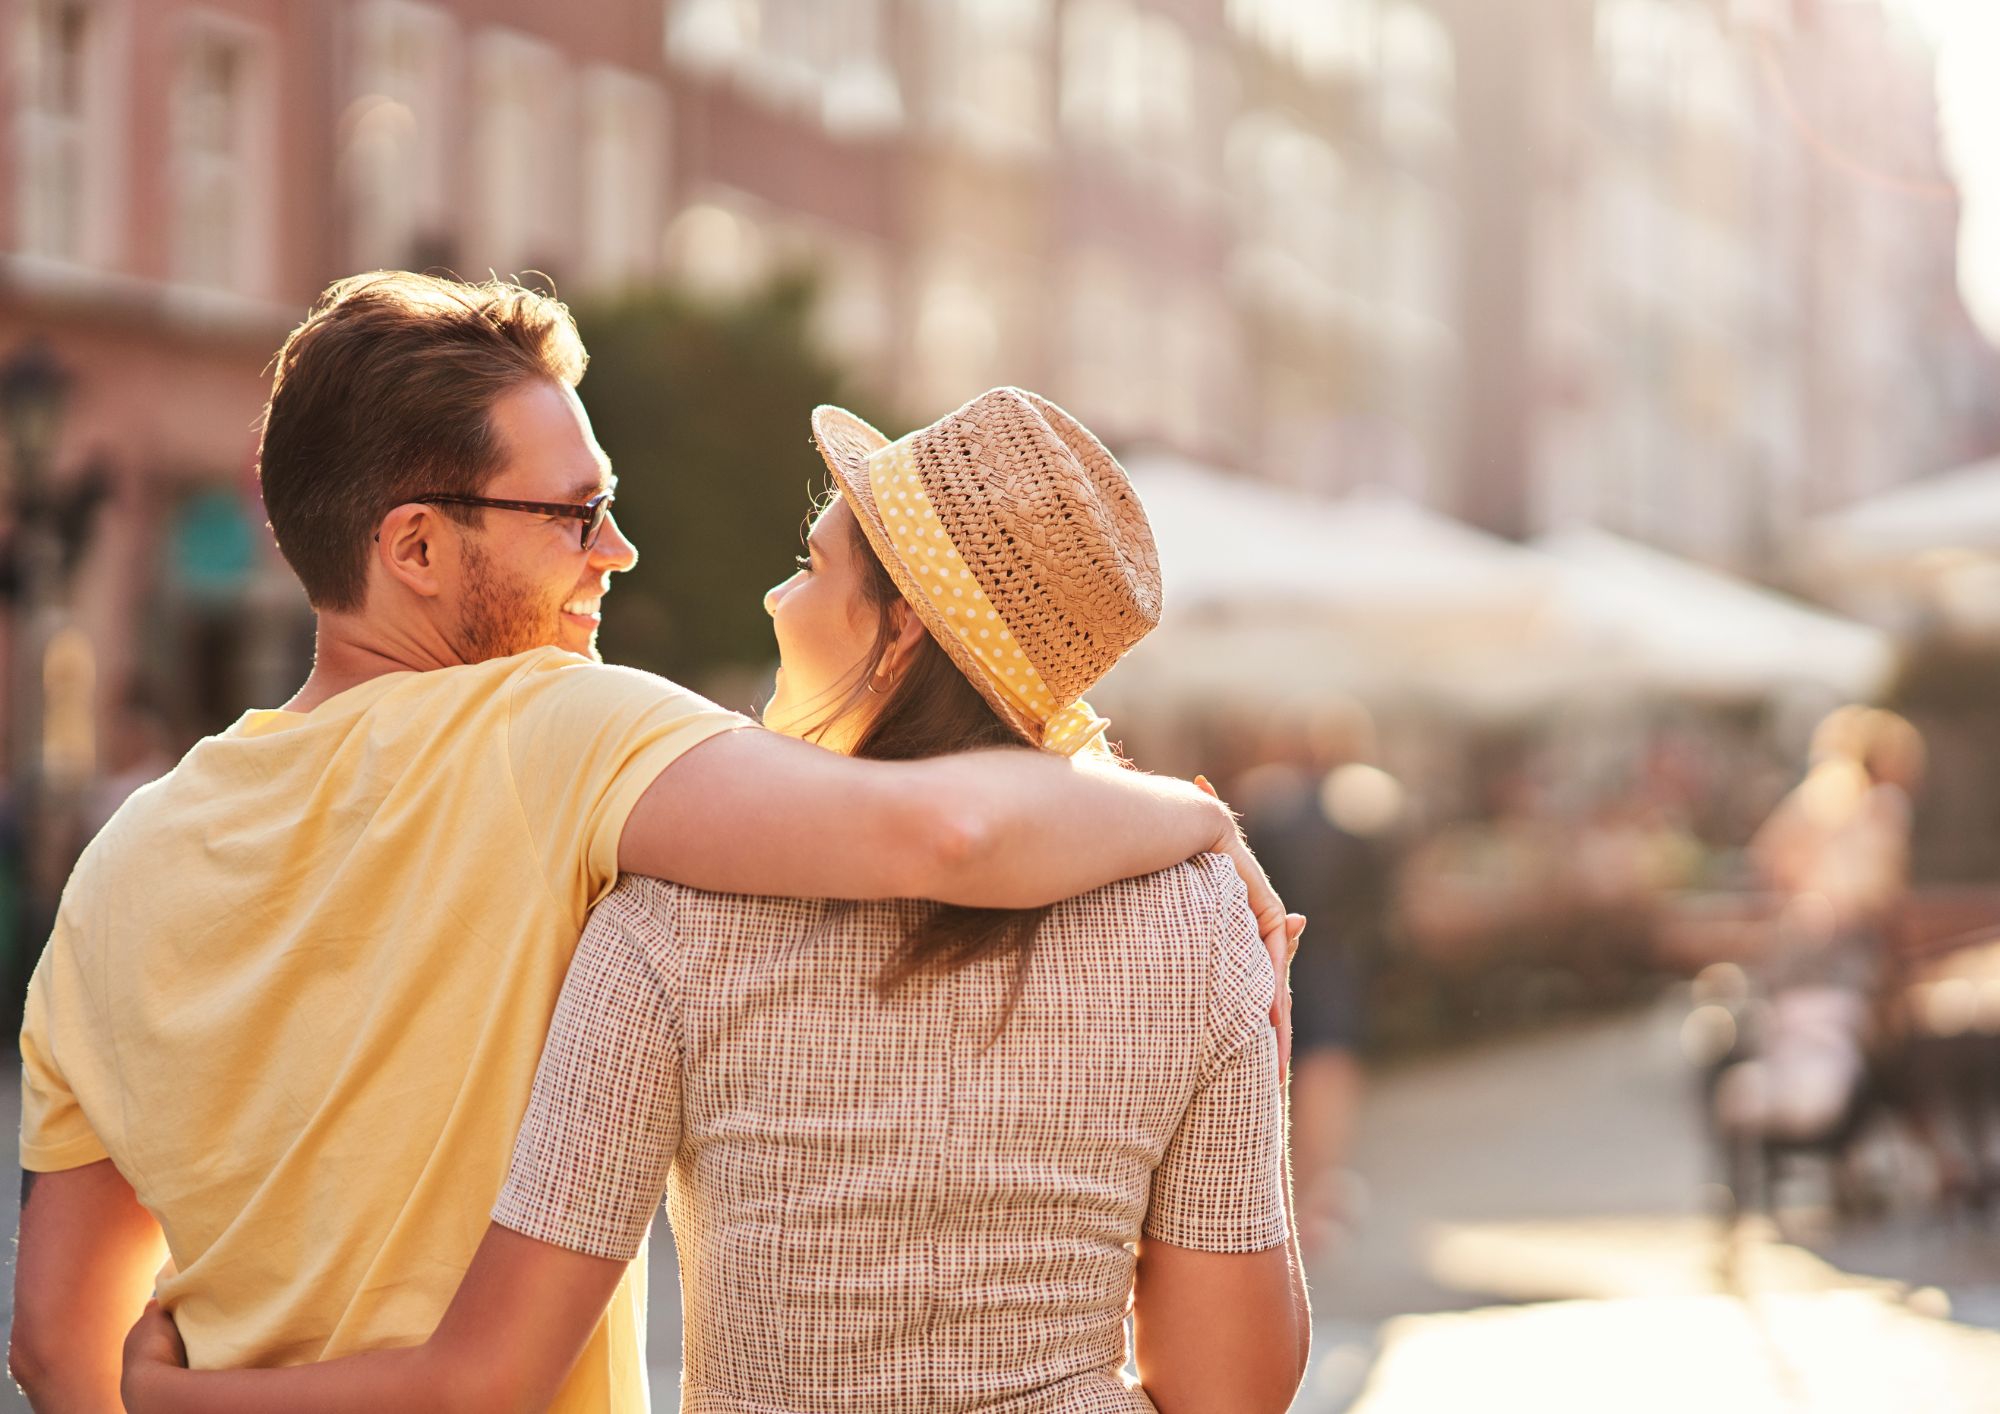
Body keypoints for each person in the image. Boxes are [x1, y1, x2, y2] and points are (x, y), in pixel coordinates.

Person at [11, 277, 1293, 1414]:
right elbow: (944, 830)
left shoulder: (121, 864)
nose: (617, 551)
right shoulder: (564, 733)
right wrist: (1198, 820)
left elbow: (58, 1350)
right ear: (412, 545)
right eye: (574, 515)